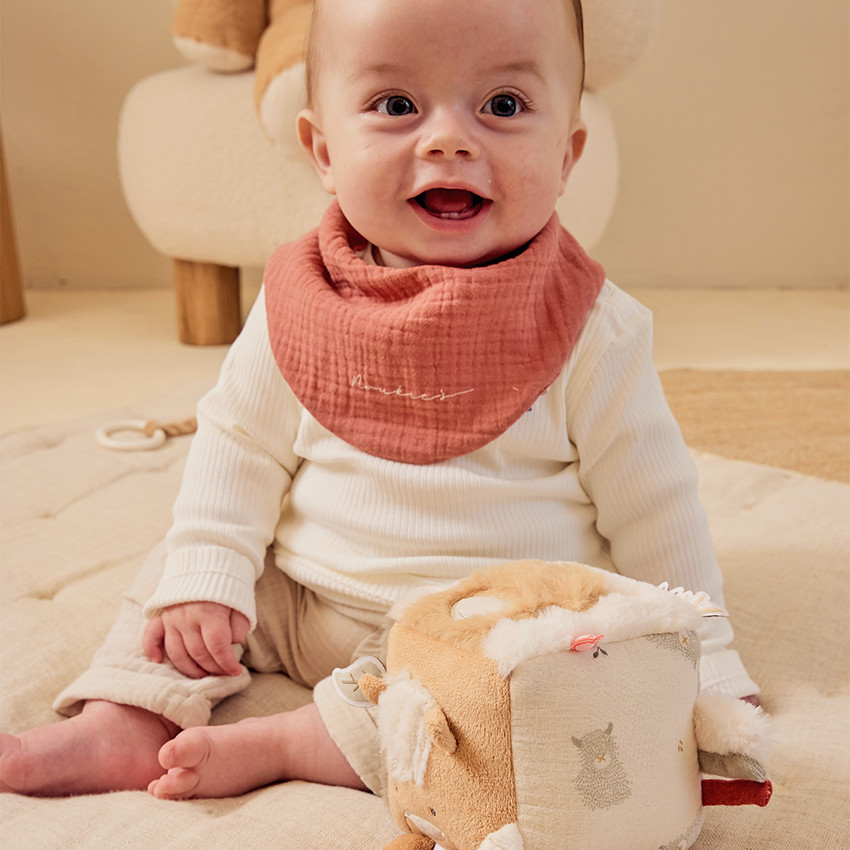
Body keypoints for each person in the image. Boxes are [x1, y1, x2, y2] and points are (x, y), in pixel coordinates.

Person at [0, 0, 758, 801]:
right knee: (186, 566)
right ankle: (128, 711)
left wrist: (707, 660)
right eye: (396, 106)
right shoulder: (297, 298)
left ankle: (303, 741)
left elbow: (655, 509)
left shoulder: (592, 330)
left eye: (503, 105)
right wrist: (207, 573)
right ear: (323, 151)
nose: (448, 139)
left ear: (567, 155)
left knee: (561, 685)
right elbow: (240, 443)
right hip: (303, 600)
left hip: (481, 631)